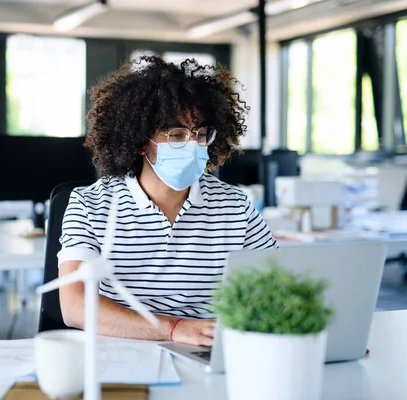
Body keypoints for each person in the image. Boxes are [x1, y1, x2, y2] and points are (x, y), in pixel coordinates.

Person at [58, 56, 277, 347]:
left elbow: (276, 289)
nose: (192, 144)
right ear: (139, 141)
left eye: (200, 134)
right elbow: (74, 307)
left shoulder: (236, 206)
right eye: (176, 134)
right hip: (120, 353)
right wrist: (174, 329)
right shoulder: (89, 205)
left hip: (207, 353)